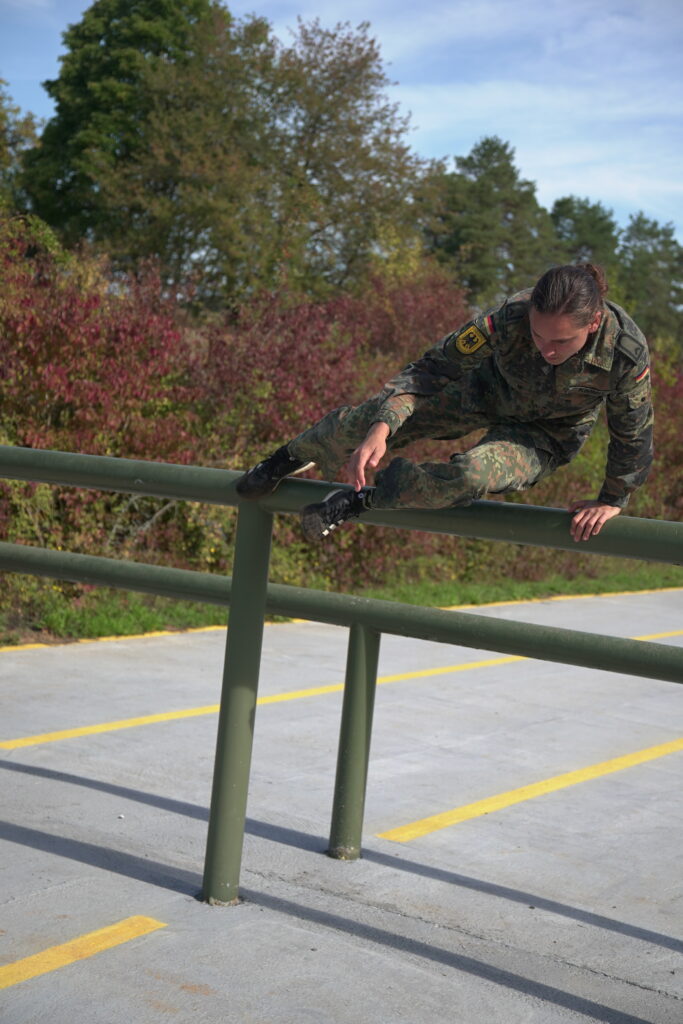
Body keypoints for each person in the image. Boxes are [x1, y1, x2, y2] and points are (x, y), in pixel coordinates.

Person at [236, 264, 653, 544]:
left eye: (561, 341)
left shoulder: (626, 352)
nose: (547, 349)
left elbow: (632, 435)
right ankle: (284, 460)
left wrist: (613, 498)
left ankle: (361, 501)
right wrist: (382, 429)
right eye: (539, 336)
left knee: (472, 475)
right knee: (365, 423)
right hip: (482, 391)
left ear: (593, 322)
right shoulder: (507, 317)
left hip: (546, 434)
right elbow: (430, 369)